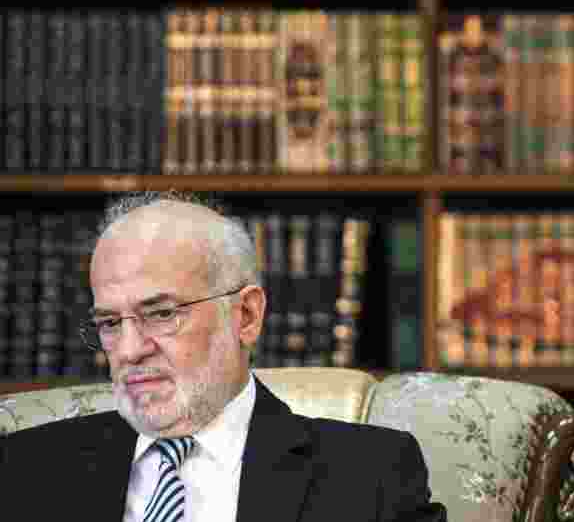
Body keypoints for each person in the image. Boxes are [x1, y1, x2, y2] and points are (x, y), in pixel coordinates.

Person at [0, 192, 446, 522]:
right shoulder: (25, 470)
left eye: (161, 314)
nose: (130, 350)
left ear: (246, 316)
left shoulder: (371, 477)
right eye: (111, 323)